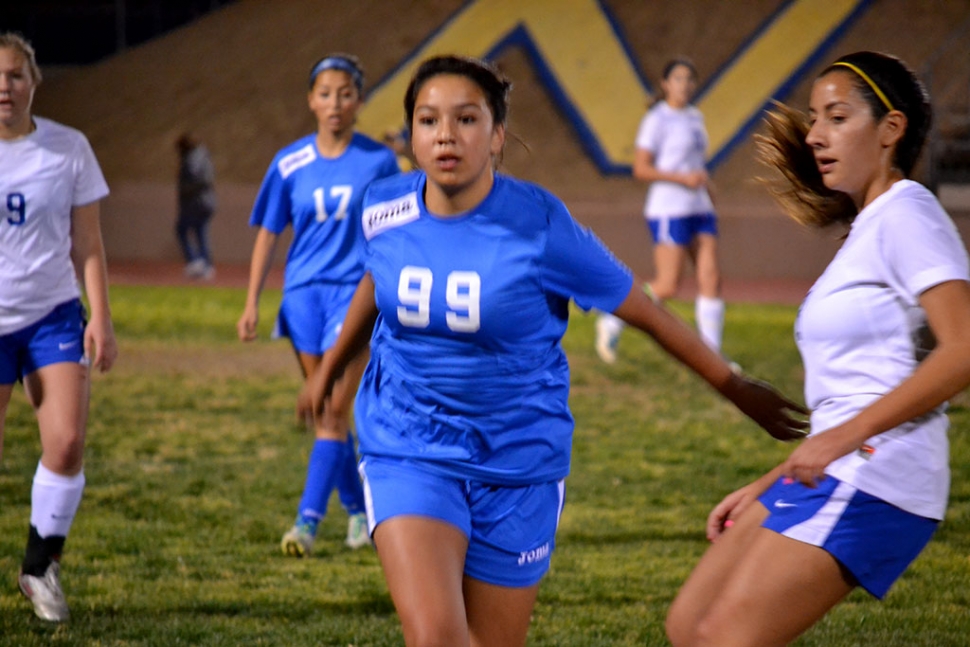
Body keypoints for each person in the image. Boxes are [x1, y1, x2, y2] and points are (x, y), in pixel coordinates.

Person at [299, 54, 807, 647]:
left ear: (497, 137)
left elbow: (645, 313)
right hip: (408, 446)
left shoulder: (539, 225)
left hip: (519, 462)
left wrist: (735, 387)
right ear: (410, 134)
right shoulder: (383, 207)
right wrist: (331, 368)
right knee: (437, 637)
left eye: (466, 119)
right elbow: (377, 281)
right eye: (428, 120)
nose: (445, 135)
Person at [665, 51, 970, 647]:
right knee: (688, 626)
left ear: (890, 130)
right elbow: (852, 390)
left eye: (835, 117)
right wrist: (772, 478)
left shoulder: (909, 215)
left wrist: (837, 442)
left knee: (723, 637)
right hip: (836, 465)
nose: (814, 135)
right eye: (813, 118)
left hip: (879, 476)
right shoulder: (868, 226)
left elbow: (961, 351)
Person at [236, 53, 400, 557]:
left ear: (359, 100)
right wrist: (251, 303)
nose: (335, 102)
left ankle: (305, 525)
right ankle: (358, 513)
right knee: (332, 412)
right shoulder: (289, 163)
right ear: (311, 100)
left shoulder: (379, 162)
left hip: (355, 297)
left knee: (330, 409)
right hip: (303, 297)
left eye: (345, 92)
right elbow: (268, 232)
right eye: (325, 93)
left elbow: (395, 231)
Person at [0, 32, 118, 622]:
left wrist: (100, 316)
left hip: (52, 315)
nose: (4, 85)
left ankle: (40, 566)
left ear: (34, 82)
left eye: (15, 74)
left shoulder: (68, 148)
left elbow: (88, 243)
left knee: (67, 442)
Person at [596, 57, 725, 364]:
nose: (684, 85)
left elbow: (694, 162)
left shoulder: (695, 117)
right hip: (669, 208)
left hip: (699, 206)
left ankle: (712, 356)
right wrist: (682, 179)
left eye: (689, 79)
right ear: (666, 84)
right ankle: (614, 317)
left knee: (710, 277)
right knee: (668, 284)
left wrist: (706, 186)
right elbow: (641, 169)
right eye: (678, 79)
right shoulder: (657, 119)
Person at [175, 132, 217, 280]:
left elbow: (200, 180)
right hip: (203, 202)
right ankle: (205, 264)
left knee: (182, 229)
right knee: (200, 233)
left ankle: (196, 262)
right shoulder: (203, 155)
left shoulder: (194, 158)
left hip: (197, 203)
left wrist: (185, 189)